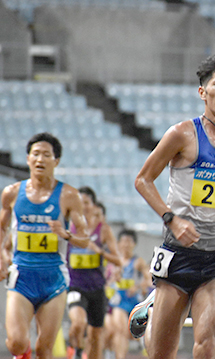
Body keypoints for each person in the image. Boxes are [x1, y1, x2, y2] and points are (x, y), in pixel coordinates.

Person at [131, 52, 215, 359]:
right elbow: (143, 179)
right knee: (161, 352)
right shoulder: (182, 134)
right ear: (202, 92)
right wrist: (171, 219)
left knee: (207, 344)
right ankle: (153, 305)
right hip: (178, 254)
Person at [0, 132, 90, 359]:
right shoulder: (11, 193)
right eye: (36, 154)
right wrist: (2, 255)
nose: (40, 159)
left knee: (44, 349)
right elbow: (2, 228)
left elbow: (85, 238)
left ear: (56, 161)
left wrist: (66, 234)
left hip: (54, 280)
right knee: (17, 343)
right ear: (28, 158)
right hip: (21, 277)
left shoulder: (69, 195)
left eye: (46, 155)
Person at [66, 186, 122, 359]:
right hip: (75, 286)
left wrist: (99, 251)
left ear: (92, 205)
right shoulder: (68, 225)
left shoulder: (103, 230)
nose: (83, 206)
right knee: (78, 323)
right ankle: (77, 350)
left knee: (96, 335)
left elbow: (118, 260)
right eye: (80, 202)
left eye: (86, 203)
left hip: (97, 289)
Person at [105, 229, 151, 359]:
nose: (126, 244)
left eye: (129, 241)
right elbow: (105, 282)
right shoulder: (112, 261)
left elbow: (149, 279)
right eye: (123, 241)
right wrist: (112, 281)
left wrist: (137, 286)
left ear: (134, 244)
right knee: (120, 330)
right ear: (118, 244)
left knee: (133, 334)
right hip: (117, 301)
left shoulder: (138, 262)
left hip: (133, 301)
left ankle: (143, 349)